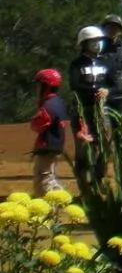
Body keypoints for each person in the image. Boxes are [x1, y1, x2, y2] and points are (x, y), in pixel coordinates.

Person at [68, 25, 112, 180]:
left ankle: (99, 178)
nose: (98, 43)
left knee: (103, 145)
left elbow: (113, 84)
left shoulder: (105, 63)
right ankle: (83, 181)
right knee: (83, 146)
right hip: (83, 111)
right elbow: (74, 84)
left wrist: (107, 91)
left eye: (99, 40)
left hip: (101, 111)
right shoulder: (77, 64)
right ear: (84, 43)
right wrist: (95, 91)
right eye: (93, 41)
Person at [30, 69, 69, 197]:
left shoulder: (48, 105)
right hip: (54, 146)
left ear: (45, 87)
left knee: (44, 181)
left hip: (47, 146)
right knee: (46, 178)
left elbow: (37, 125)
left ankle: (61, 202)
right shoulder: (58, 102)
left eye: (39, 85)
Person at [100, 14, 122, 119]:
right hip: (99, 94)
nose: (112, 30)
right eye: (109, 27)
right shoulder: (96, 47)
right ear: (104, 28)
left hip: (117, 96)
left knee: (118, 129)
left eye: (115, 27)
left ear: (120, 30)